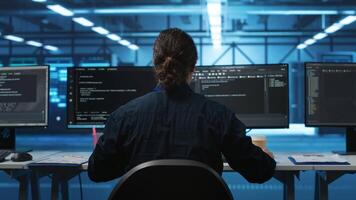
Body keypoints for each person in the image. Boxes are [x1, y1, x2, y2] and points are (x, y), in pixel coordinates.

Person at [88, 28, 276, 183]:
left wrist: (133, 159)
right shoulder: (219, 116)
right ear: (193, 68)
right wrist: (266, 157)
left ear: (155, 65)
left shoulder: (124, 117)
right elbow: (258, 172)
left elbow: (97, 172)